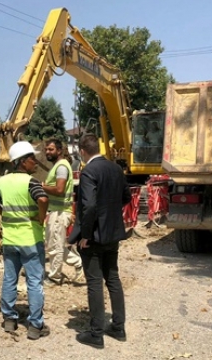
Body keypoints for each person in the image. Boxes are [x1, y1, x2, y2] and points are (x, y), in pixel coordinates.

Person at [67, 133, 132, 349]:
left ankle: (96, 334)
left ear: (83, 152)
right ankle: (118, 327)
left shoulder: (88, 172)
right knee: (113, 278)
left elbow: (89, 206)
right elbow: (126, 198)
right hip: (113, 233)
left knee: (94, 282)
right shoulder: (116, 169)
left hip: (93, 236)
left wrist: (85, 235)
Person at [0, 141, 51, 340]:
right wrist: (40, 217)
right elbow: (43, 200)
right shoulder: (31, 182)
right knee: (35, 282)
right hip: (30, 239)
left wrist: (3, 212)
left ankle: (9, 319)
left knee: (10, 279)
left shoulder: (3, 181)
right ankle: (35, 325)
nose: (35, 163)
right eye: (32, 159)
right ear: (22, 162)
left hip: (10, 240)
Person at [41, 138, 82, 286]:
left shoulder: (62, 167)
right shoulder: (58, 166)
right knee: (55, 245)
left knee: (56, 247)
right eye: (46, 149)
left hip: (59, 213)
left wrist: (42, 187)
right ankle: (79, 263)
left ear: (59, 150)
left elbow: (59, 190)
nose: (47, 152)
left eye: (51, 149)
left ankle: (55, 277)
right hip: (55, 212)